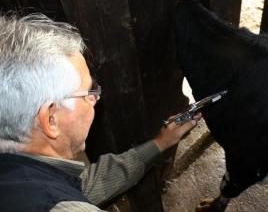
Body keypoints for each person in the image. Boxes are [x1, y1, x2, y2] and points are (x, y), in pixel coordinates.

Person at [0, 14, 201, 211]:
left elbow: (78, 186)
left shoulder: (19, 170)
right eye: (88, 92)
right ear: (51, 119)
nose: (95, 98)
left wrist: (160, 142)